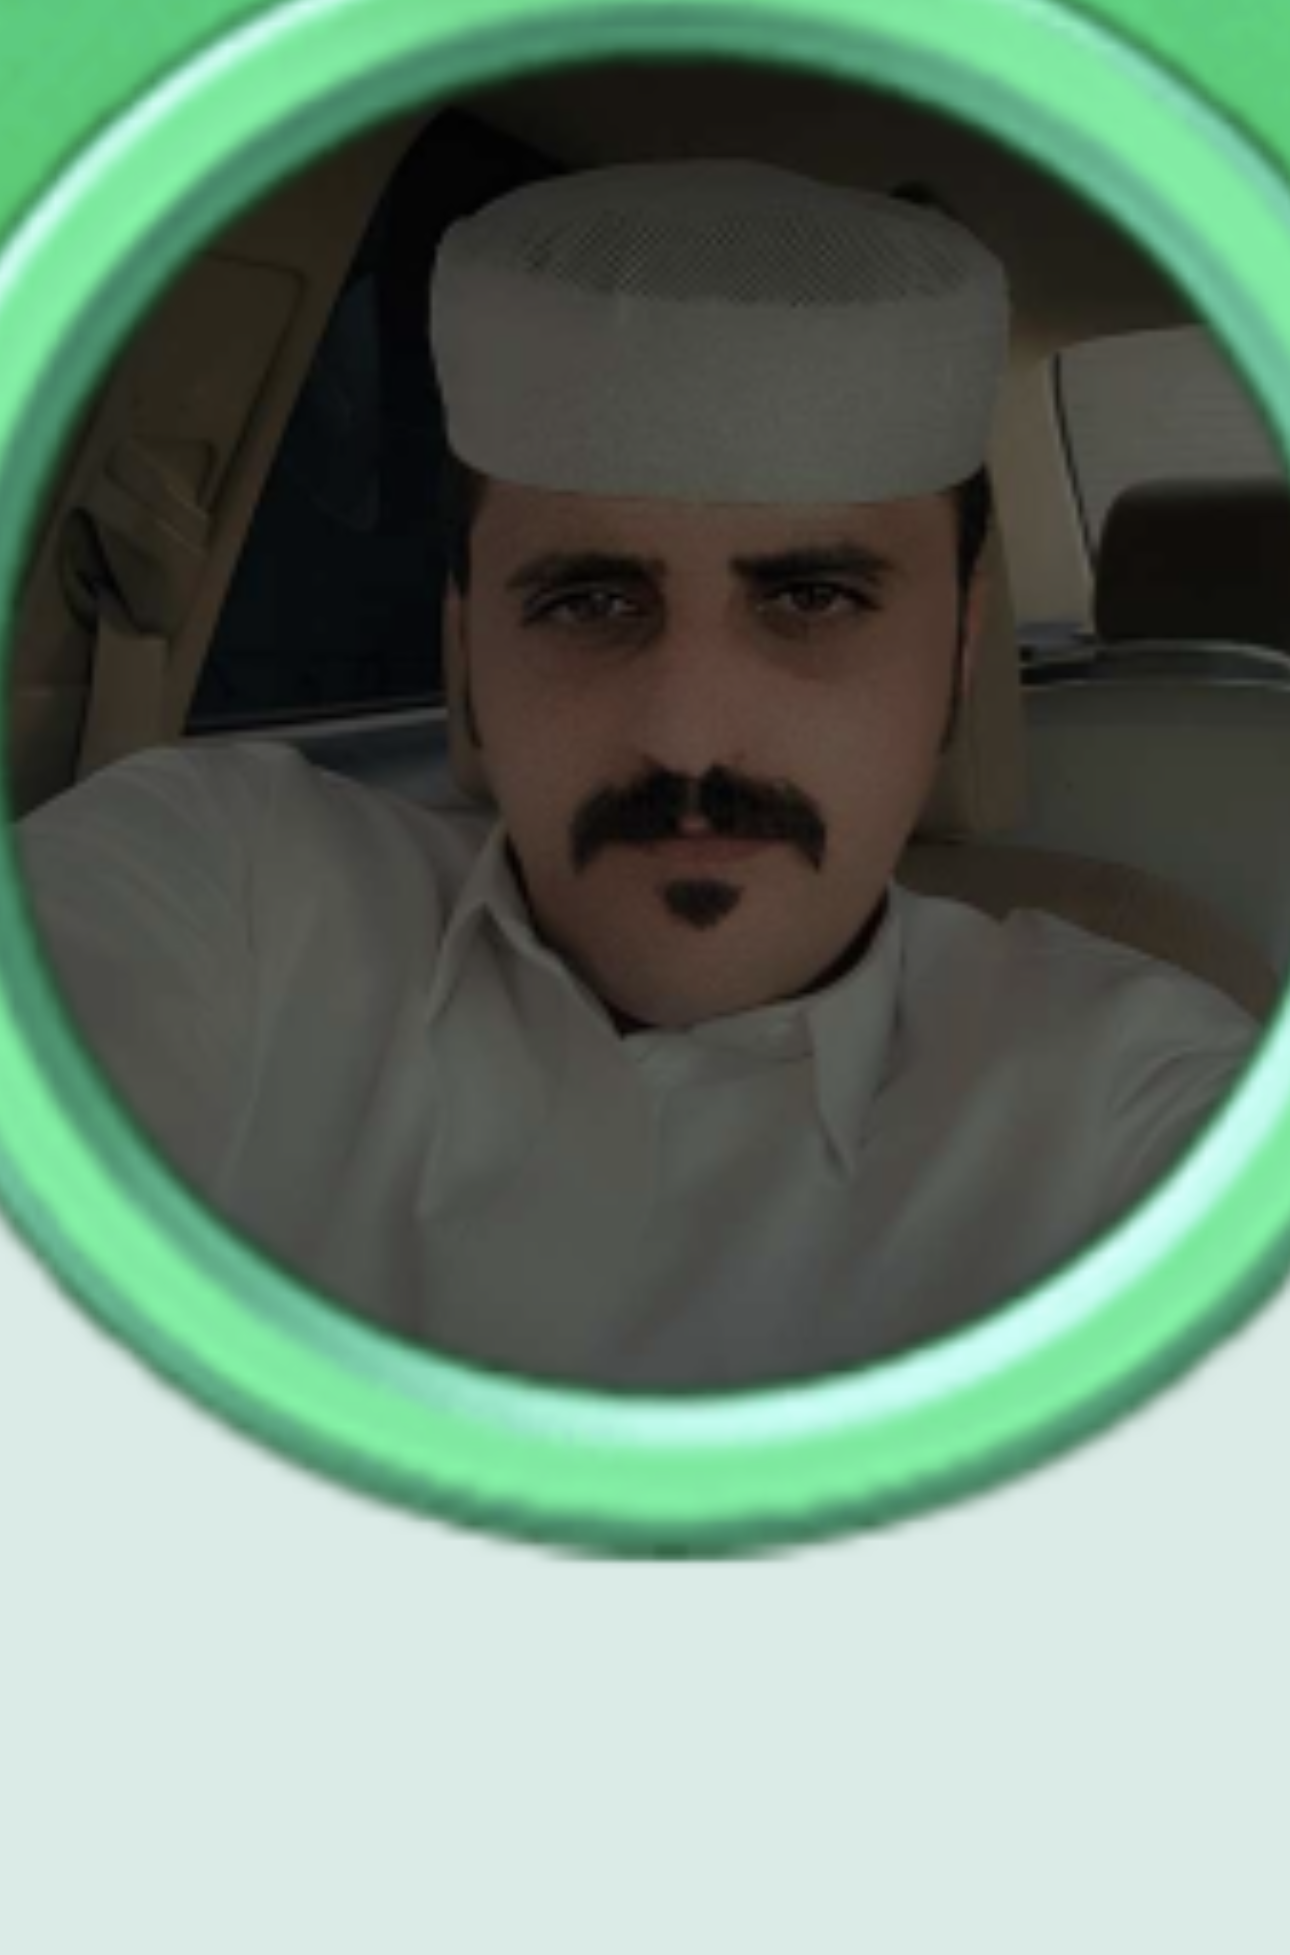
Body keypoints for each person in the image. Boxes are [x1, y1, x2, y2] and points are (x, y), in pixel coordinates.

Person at [15, 159, 1256, 1391]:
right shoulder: (224, 884)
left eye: (812, 598)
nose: (688, 739)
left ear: (960, 652)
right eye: (590, 602)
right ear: (466, 650)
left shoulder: (1132, 1108)